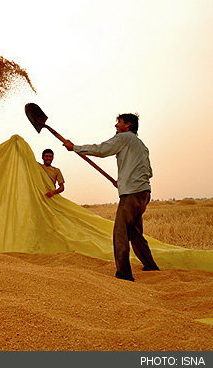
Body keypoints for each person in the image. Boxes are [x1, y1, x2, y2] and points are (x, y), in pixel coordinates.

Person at [63, 113, 160, 281]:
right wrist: (123, 180)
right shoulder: (141, 145)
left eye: (119, 123)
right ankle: (150, 265)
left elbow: (102, 149)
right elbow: (148, 172)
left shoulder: (124, 138)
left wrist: (75, 147)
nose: (116, 126)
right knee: (135, 233)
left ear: (127, 125)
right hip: (144, 192)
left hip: (131, 193)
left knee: (120, 233)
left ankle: (124, 274)